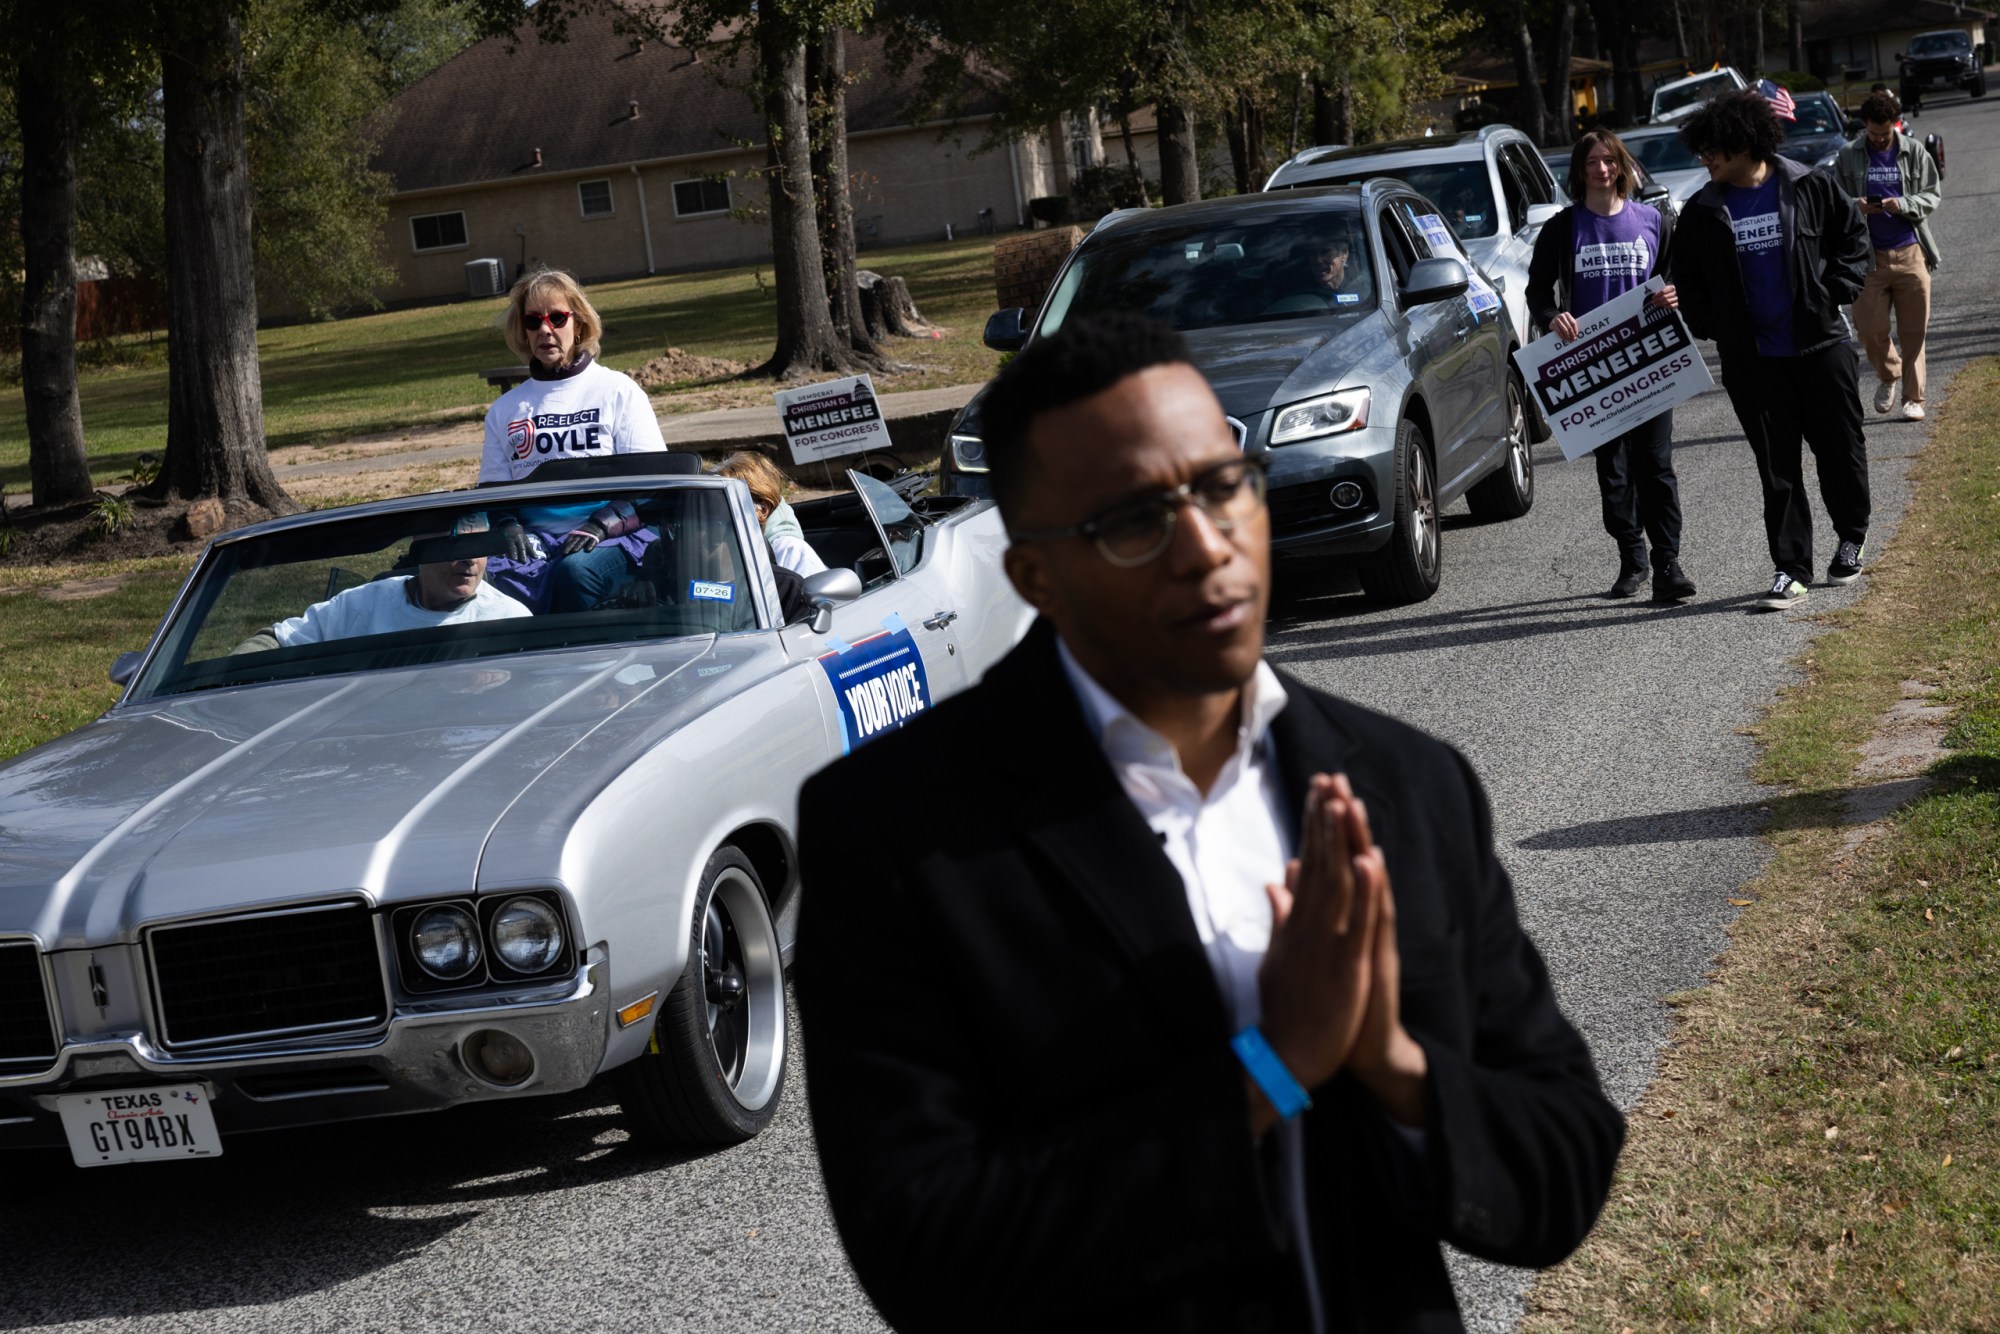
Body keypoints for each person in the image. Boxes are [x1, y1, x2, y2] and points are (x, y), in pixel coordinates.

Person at [796, 312, 1623, 1333]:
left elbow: (1565, 1163)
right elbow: (927, 1250)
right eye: (1132, 519)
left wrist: (1390, 1064)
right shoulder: (894, 838)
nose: (1203, 545)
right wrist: (1270, 1064)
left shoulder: (1408, 786)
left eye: (1220, 485)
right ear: (1035, 577)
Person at [1671, 89, 1872, 611]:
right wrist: (1714, 324)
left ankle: (1851, 536)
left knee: (1839, 452)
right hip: (1753, 363)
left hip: (1822, 346)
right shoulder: (1701, 211)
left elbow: (1854, 240)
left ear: (1744, 143)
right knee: (1776, 468)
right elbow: (1686, 279)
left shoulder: (1808, 185)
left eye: (1712, 148)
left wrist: (1832, 292)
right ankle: (1791, 570)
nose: (1705, 159)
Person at [1527, 129, 1696, 604]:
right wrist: (1550, 317)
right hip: (1594, 367)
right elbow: (1537, 292)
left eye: (1608, 161)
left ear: (1622, 166)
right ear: (1580, 172)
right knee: (1615, 470)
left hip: (1649, 361)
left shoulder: (1654, 220)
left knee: (1657, 465)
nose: (1601, 170)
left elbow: (1677, 274)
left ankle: (1668, 563)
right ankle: (1632, 556)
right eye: (1592, 163)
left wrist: (1672, 291)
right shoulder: (1563, 229)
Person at [479, 269, 668, 611]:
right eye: (533, 321)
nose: (545, 330)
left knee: (574, 572)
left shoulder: (618, 391)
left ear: (578, 324)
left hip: (614, 539)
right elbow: (494, 495)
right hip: (534, 544)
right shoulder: (504, 409)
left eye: (557, 318)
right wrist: (507, 526)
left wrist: (599, 525)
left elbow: (652, 487)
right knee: (485, 587)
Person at [236, 516, 531, 651]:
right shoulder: (361, 604)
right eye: (457, 549)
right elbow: (276, 640)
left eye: (480, 548)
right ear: (423, 551)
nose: (471, 561)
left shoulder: (510, 620)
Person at [1833, 89, 1943, 422]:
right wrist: (1857, 206)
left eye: (1886, 132)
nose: (1880, 139)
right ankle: (1888, 373)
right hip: (1867, 258)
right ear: (1864, 126)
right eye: (1873, 133)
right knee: (1868, 329)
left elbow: (1932, 194)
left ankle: (1914, 398)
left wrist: (1903, 204)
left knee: (1914, 331)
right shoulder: (1848, 155)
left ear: (1895, 124)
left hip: (1911, 250)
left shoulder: (1914, 152)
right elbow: (1834, 202)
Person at [713, 451, 827, 576]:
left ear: (761, 510)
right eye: (714, 502)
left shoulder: (790, 550)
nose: (716, 512)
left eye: (728, 502)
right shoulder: (716, 547)